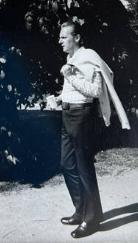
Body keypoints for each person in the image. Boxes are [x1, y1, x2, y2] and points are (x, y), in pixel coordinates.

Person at [56, 20, 130, 239]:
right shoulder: (71, 58)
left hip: (81, 117)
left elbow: (95, 90)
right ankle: (81, 210)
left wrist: (69, 75)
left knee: (84, 167)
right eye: (60, 37)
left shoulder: (89, 57)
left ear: (76, 38)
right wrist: (61, 97)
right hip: (68, 114)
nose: (59, 41)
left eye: (63, 37)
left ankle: (93, 218)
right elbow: (76, 88)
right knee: (66, 163)